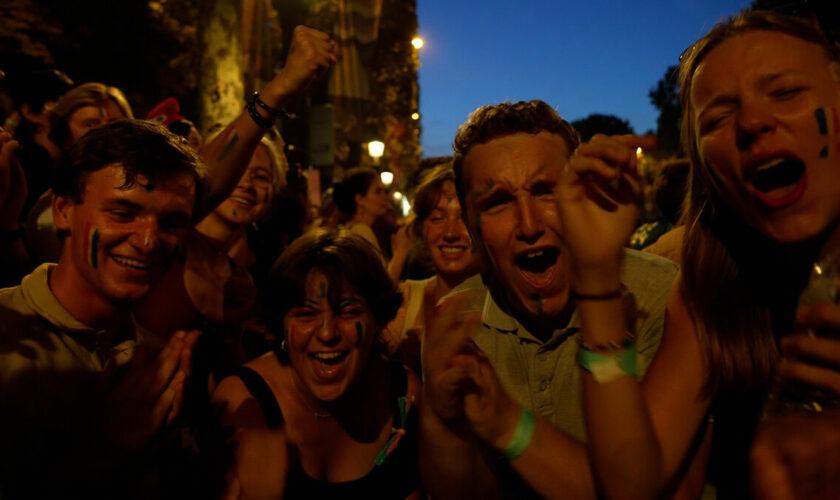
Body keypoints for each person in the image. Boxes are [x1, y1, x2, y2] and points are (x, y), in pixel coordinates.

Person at [0, 24, 338, 496]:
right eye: (123, 212)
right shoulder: (10, 337)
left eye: (173, 222)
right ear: (62, 210)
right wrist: (99, 456)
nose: (147, 240)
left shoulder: (154, 356)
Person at [578, 10, 840, 500]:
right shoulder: (711, 288)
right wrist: (595, 273)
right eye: (717, 117)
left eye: (785, 92)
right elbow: (630, 482)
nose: (753, 122)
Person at [419, 100, 679, 499]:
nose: (529, 225)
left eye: (546, 192)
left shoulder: (658, 296)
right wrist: (438, 418)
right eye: (498, 202)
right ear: (471, 226)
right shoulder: (456, 326)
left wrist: (507, 423)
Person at [212, 229, 422, 499]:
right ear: (281, 324)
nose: (327, 333)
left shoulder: (404, 394)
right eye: (306, 314)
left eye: (348, 312)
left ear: (378, 319)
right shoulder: (243, 403)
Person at [383, 163, 482, 371]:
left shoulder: (506, 305)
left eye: (463, 218)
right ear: (422, 228)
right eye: (437, 218)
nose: (450, 233)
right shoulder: (405, 300)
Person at [334, 166, 410, 281]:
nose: (385, 197)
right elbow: (383, 286)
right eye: (377, 192)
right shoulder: (361, 232)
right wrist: (401, 250)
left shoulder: (352, 230)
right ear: (360, 199)